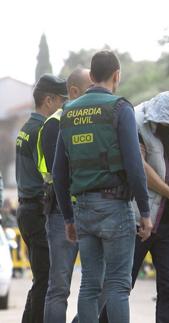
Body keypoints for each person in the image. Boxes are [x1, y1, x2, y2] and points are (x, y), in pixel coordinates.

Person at [53, 50, 152, 323]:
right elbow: (134, 165)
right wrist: (144, 211)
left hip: (83, 208)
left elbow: (58, 172)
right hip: (115, 207)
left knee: (89, 285)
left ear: (92, 76)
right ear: (116, 75)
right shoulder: (120, 108)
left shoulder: (69, 112)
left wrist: (68, 218)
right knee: (118, 286)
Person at [36, 68, 96, 323]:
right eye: (90, 88)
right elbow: (55, 169)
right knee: (59, 287)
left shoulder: (91, 118)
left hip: (90, 207)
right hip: (62, 210)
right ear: (74, 92)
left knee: (97, 284)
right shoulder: (54, 124)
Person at [131, 91, 169, 323]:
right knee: (120, 285)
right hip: (140, 217)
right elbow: (140, 169)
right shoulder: (135, 120)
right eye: (168, 123)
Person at [16, 74, 68, 323]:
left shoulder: (27, 127)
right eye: (62, 100)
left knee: (41, 278)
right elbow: (50, 173)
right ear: (49, 100)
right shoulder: (41, 130)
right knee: (46, 280)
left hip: (27, 209)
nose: (63, 107)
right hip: (37, 210)